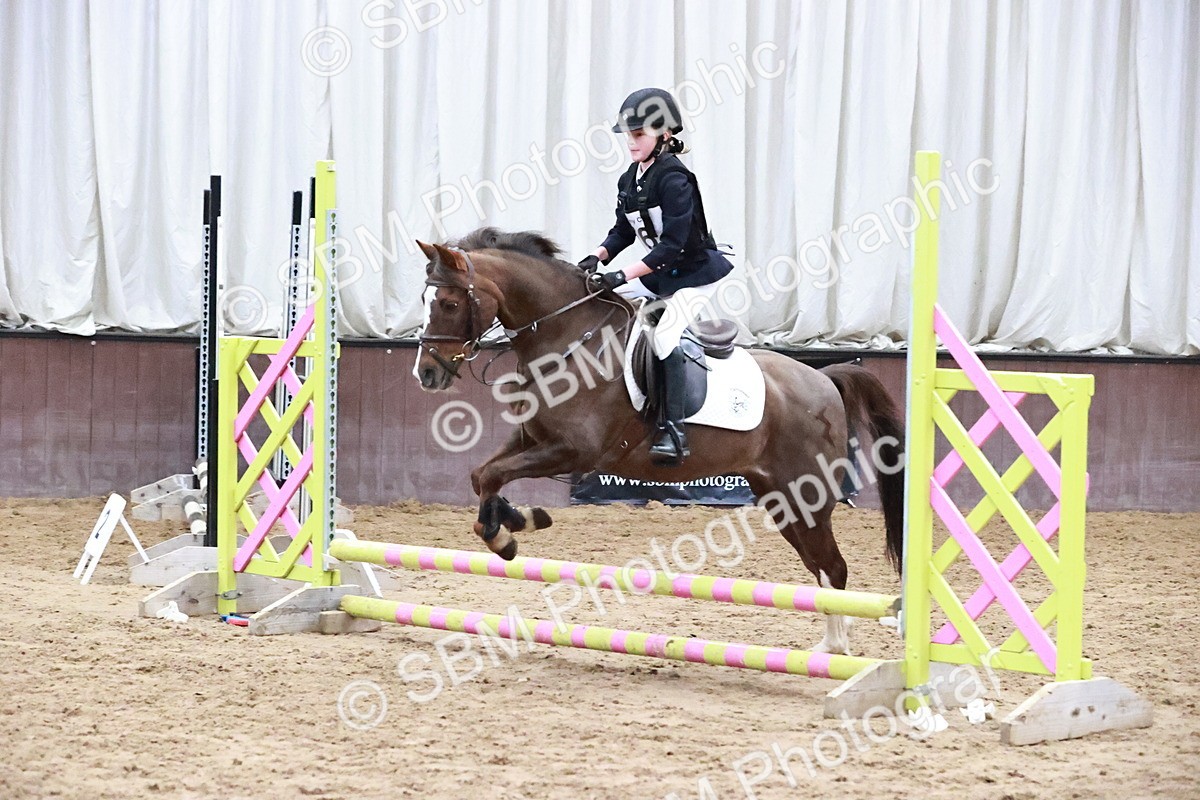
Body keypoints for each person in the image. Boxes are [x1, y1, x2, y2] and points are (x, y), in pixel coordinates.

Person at [579, 87, 733, 466]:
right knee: (599, 306)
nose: (630, 143)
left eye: (639, 135)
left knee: (663, 336)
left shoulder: (676, 180)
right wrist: (596, 258)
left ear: (664, 134)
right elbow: (623, 233)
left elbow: (672, 247)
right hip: (663, 273)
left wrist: (622, 273)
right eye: (628, 135)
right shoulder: (629, 180)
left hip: (695, 272)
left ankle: (674, 431)